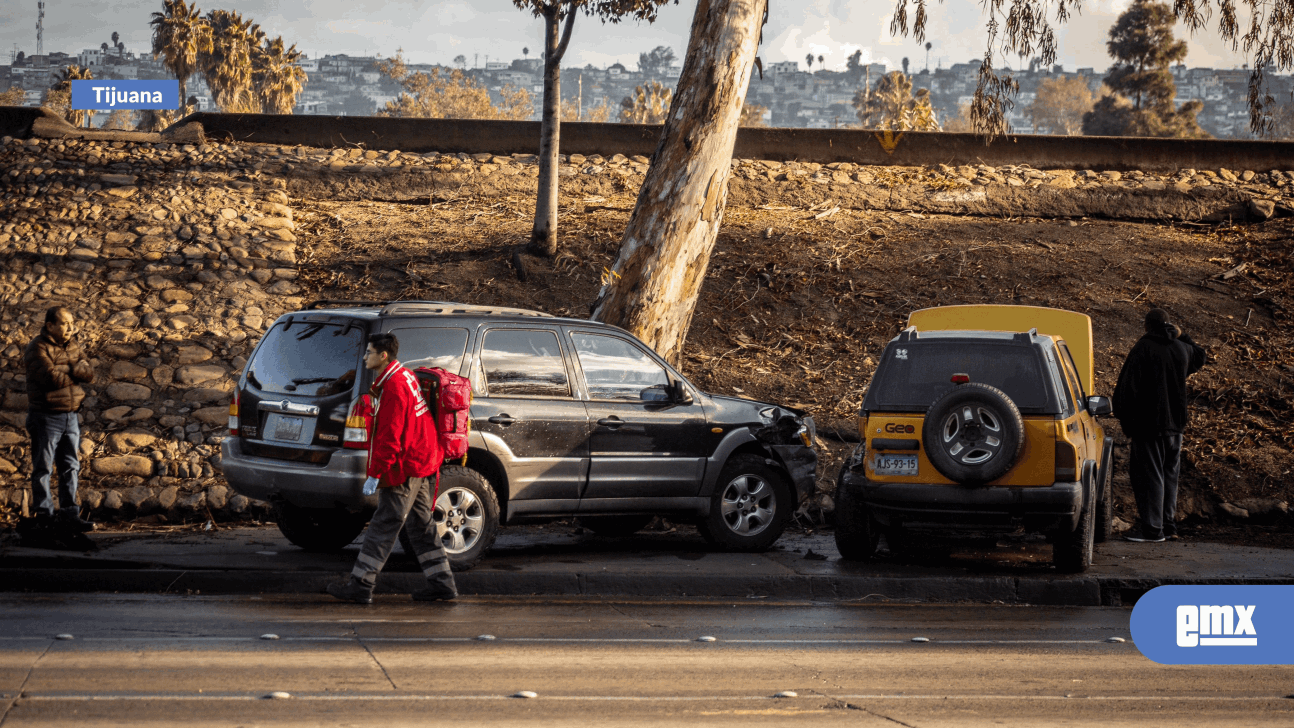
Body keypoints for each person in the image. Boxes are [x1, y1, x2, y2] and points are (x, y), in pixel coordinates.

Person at [328, 333, 458, 604]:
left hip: (405, 466)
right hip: (421, 461)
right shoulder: (405, 376)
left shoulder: (394, 387)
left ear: (383, 355)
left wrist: (375, 474)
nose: (365, 357)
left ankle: (361, 584)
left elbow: (389, 437)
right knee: (421, 524)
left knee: (385, 523)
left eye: (369, 352)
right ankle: (442, 584)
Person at [1112, 308, 1207, 543]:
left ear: (1147, 326)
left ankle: (1152, 530)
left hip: (1149, 424)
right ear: (1168, 325)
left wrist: (1126, 421)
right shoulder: (1182, 349)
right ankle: (1169, 525)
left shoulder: (1143, 348)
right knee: (1169, 476)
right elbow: (1201, 355)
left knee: (1149, 477)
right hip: (1176, 425)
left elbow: (1127, 388)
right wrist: (1182, 335)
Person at [24, 306, 96, 531]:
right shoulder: (36, 347)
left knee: (70, 466)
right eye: (65, 323)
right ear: (50, 326)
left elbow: (89, 373)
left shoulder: (73, 345)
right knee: (43, 468)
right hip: (45, 417)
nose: (70, 328)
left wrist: (67, 368)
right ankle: (44, 516)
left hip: (71, 416)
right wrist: (75, 370)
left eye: (71, 323)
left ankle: (69, 515)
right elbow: (50, 378)